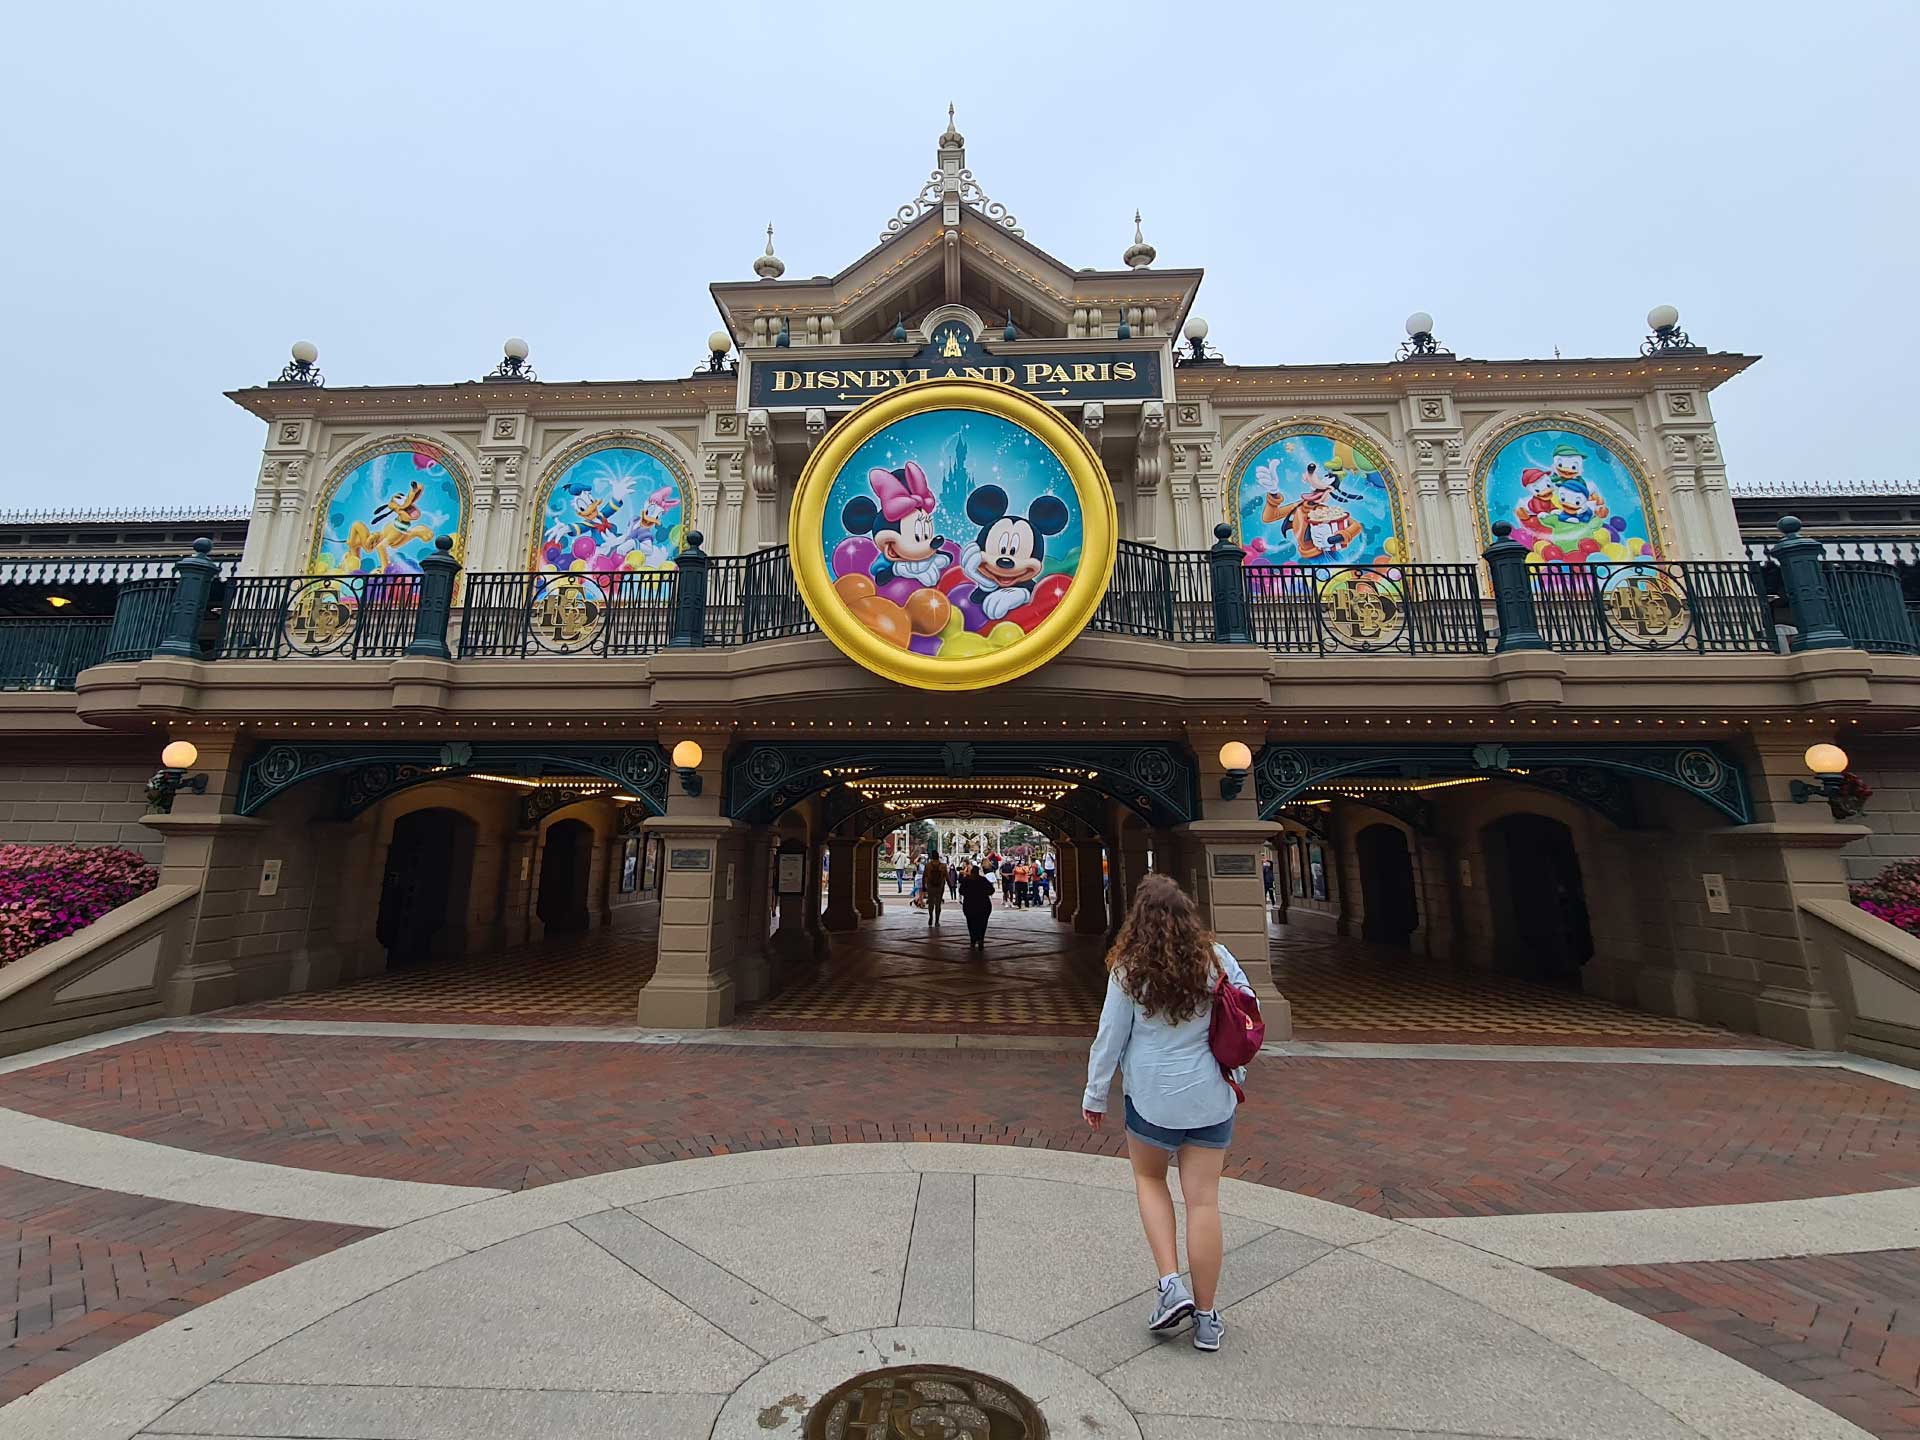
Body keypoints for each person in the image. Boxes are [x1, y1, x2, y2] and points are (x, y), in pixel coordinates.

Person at [1082, 874, 1254, 1355]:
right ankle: (1206, 1317)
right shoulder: (1216, 959)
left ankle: (1169, 1284)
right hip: (1211, 1094)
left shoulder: (1128, 968)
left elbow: (1110, 1036)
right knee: (1203, 1202)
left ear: (1138, 920)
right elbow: (1248, 1008)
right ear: (1187, 916)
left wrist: (1095, 1094)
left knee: (1150, 1181)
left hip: (1152, 1097)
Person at [959, 861, 996, 950]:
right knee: (982, 923)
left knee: (971, 923)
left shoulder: (966, 881)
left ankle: (973, 939)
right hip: (983, 905)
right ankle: (980, 939)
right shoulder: (983, 880)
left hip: (970, 905)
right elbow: (991, 890)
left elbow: (961, 891)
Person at [922, 853, 946, 926]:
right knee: (938, 904)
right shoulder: (943, 866)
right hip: (940, 887)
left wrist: (923, 886)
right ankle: (937, 921)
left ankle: (931, 917)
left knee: (931, 903)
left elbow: (924, 876)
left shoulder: (928, 865)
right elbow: (947, 876)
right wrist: (951, 885)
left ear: (932, 857)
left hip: (930, 886)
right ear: (938, 857)